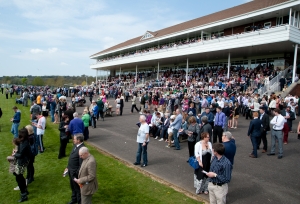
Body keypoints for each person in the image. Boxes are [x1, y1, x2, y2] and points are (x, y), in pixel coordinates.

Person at [64, 134, 85, 204]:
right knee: (73, 187)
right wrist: (68, 167)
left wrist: (76, 173)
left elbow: (81, 164)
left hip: (75, 172)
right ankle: (74, 199)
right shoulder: (75, 146)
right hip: (70, 170)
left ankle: (79, 201)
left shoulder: (82, 149)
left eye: (74, 139)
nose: (73, 140)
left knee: (77, 188)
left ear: (78, 140)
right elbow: (71, 158)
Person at [13, 128, 31, 202]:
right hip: (23, 160)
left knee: (18, 177)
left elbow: (20, 155)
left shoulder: (24, 143)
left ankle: (23, 194)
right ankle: (25, 190)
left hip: (22, 161)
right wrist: (17, 151)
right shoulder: (24, 141)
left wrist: (15, 154)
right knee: (19, 175)